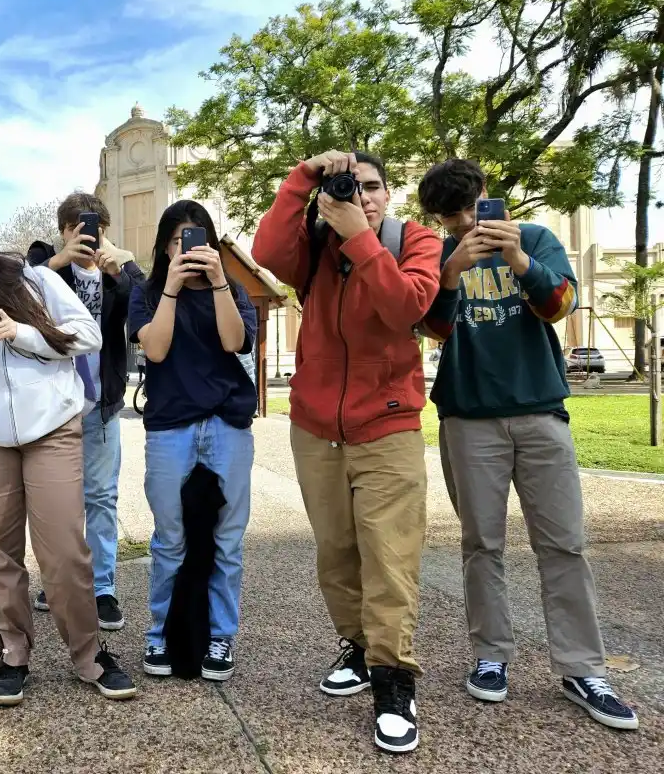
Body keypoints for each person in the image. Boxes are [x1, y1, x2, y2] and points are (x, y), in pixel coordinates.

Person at [417, 158, 638, 731]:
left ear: (489, 195)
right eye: (451, 216)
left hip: (540, 411)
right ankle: (491, 657)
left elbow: (560, 308)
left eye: (471, 208)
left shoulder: (536, 239)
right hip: (468, 415)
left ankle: (582, 668)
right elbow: (434, 330)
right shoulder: (443, 254)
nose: (465, 222)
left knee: (564, 545)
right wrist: (447, 277)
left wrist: (518, 259)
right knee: (481, 545)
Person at [253, 150, 441, 753]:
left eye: (372, 187)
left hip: (388, 426)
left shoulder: (417, 241)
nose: (361, 197)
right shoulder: (314, 246)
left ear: (389, 193)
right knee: (336, 551)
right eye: (347, 187)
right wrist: (302, 180)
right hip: (315, 427)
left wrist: (362, 239)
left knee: (390, 556)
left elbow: (407, 306)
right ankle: (358, 649)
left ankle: (393, 679)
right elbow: (266, 253)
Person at [0, 235, 137, 706]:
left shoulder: (36, 281)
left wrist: (22, 334)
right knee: (0, 551)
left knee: (63, 550)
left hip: (53, 431)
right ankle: (14, 651)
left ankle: (88, 653)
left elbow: (90, 336)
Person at [128, 200, 257, 683]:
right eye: (181, 239)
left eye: (200, 237)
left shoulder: (235, 290)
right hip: (170, 427)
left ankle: (221, 635)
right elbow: (156, 348)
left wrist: (220, 281)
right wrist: (173, 288)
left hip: (226, 426)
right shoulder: (147, 294)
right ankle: (160, 633)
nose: (191, 247)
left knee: (227, 540)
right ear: (165, 245)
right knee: (170, 540)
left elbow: (234, 341)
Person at [25, 191, 144, 630]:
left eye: (97, 229)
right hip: (53, 407)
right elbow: (17, 286)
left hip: (102, 403)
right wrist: (58, 262)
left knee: (100, 498)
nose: (90, 237)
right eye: (79, 229)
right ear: (63, 232)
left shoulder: (116, 274)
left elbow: (146, 303)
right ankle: (60, 581)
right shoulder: (43, 265)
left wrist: (124, 266)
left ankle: (102, 588)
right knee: (55, 502)